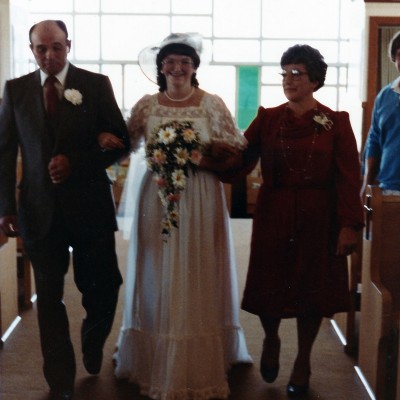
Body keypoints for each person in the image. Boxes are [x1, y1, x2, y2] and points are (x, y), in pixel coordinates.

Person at [99, 33, 252, 400]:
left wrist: (203, 158)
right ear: (160, 68)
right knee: (157, 269)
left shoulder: (211, 104)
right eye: (170, 61)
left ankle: (199, 356)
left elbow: (234, 152)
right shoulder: (147, 106)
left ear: (195, 67)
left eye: (185, 61)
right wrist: (103, 139)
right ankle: (151, 351)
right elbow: (125, 143)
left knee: (196, 267)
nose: (177, 67)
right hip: (156, 196)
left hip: (200, 197)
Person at [222, 44, 364, 397]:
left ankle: (303, 359)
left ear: (314, 79)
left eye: (296, 73)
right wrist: (206, 157)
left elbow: (349, 176)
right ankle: (271, 339)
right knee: (271, 281)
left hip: (319, 214)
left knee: (310, 287)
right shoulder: (267, 118)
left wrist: (349, 225)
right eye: (284, 72)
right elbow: (240, 158)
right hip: (274, 211)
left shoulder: (336, 122)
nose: (288, 79)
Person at [0, 20, 130, 400]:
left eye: (56, 47)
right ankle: (60, 380)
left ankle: (93, 336)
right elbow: (5, 153)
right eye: (41, 49)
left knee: (104, 287)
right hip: (38, 210)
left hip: (89, 206)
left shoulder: (95, 85)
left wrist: (79, 162)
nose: (49, 56)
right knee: (49, 296)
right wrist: (5, 206)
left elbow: (120, 143)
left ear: (68, 45)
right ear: (32, 50)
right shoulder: (16, 90)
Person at [362, 31, 400, 196]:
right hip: (389, 189)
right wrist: (366, 186)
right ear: (394, 59)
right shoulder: (384, 96)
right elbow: (374, 141)